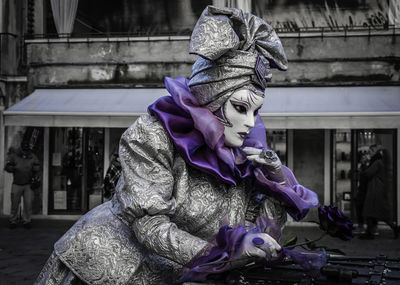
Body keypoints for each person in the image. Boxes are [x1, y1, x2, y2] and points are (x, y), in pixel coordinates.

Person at [35, 6, 318, 285]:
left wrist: (275, 182)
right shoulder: (153, 135)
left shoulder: (241, 155)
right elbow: (149, 226)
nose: (250, 122)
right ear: (213, 100)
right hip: (108, 269)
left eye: (255, 112)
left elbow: (258, 233)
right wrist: (227, 252)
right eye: (240, 107)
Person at [359, 145, 399, 239]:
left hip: (374, 189)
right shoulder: (381, 162)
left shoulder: (377, 162)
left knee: (369, 211)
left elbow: (368, 174)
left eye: (371, 151)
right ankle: (370, 232)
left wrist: (364, 164)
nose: (369, 153)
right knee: (374, 213)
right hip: (378, 189)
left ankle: (370, 233)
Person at [4, 141, 40, 229]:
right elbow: (7, 167)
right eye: (24, 150)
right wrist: (13, 168)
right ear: (21, 149)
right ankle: (13, 220)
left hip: (28, 184)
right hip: (17, 183)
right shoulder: (14, 156)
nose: (25, 152)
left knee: (28, 204)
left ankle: (26, 221)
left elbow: (37, 167)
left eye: (27, 150)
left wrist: (35, 170)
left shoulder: (32, 156)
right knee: (15, 204)